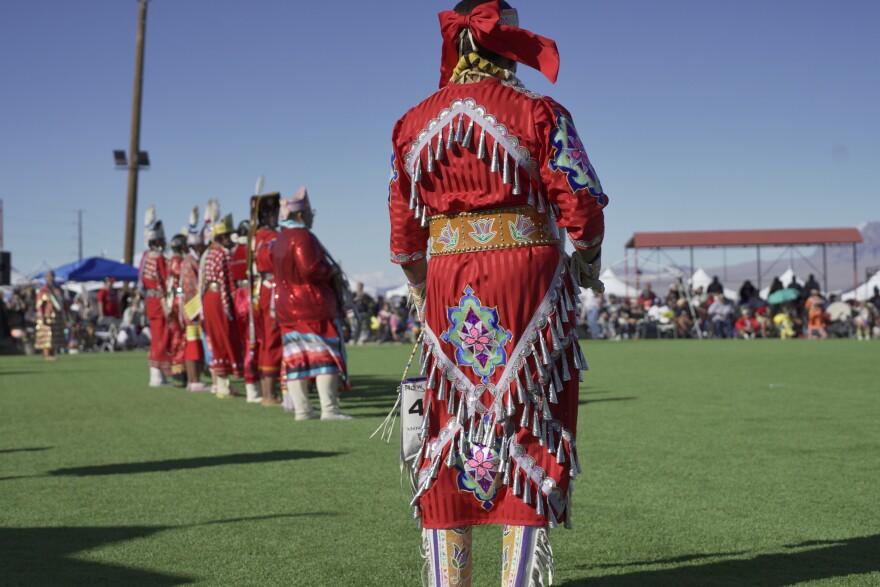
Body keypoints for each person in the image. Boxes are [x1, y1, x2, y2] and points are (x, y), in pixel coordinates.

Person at [388, 1, 607, 582]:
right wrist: (588, 257)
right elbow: (579, 203)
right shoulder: (537, 112)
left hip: (447, 285)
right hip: (527, 283)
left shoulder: (413, 123)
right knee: (528, 423)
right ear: (505, 41)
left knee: (452, 424)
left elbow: (404, 232)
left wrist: (419, 284)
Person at [273, 187, 352, 421]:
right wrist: (331, 270)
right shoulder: (302, 236)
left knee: (296, 358)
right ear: (300, 215)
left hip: (288, 309)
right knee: (323, 356)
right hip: (312, 307)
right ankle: (329, 409)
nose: (312, 216)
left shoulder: (280, 239)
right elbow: (310, 268)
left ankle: (302, 409)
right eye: (310, 212)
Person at [200, 213, 244, 398]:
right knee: (224, 336)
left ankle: (219, 383)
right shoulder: (223, 254)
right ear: (223, 237)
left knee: (215, 339)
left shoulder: (209, 253)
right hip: (218, 298)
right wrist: (230, 306)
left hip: (209, 298)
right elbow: (227, 283)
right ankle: (223, 384)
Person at [252, 193, 285, 407]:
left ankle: (268, 391)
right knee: (272, 341)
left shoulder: (257, 236)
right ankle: (268, 393)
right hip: (272, 290)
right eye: (274, 213)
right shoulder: (270, 237)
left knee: (267, 341)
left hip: (263, 290)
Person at [139, 206, 173, 386]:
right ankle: (157, 374)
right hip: (159, 301)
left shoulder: (146, 258)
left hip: (151, 301)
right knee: (161, 337)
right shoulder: (158, 258)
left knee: (157, 336)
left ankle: (158, 373)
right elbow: (164, 280)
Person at [230, 219, 261, 403]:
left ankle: (253, 386)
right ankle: (255, 387)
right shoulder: (251, 251)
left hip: (239, 298)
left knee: (246, 342)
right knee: (255, 343)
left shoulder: (234, 253)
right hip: (251, 297)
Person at [180, 207, 208, 391]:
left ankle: (193, 380)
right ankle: (194, 380)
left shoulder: (189, 261)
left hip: (191, 307)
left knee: (194, 344)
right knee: (193, 345)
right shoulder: (190, 263)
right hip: (193, 308)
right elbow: (191, 289)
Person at [167, 234, 188, 387]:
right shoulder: (179, 262)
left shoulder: (169, 261)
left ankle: (178, 370)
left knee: (176, 334)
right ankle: (180, 371)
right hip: (179, 301)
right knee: (181, 335)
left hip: (173, 301)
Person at [34, 270, 66, 361]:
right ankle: (47, 354)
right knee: (47, 335)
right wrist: (41, 315)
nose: (51, 278)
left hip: (56, 315)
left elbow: (63, 303)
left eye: (52, 276)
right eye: (49, 276)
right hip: (47, 315)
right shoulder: (43, 290)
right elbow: (40, 304)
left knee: (55, 335)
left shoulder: (57, 289)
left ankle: (52, 353)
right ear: (46, 278)